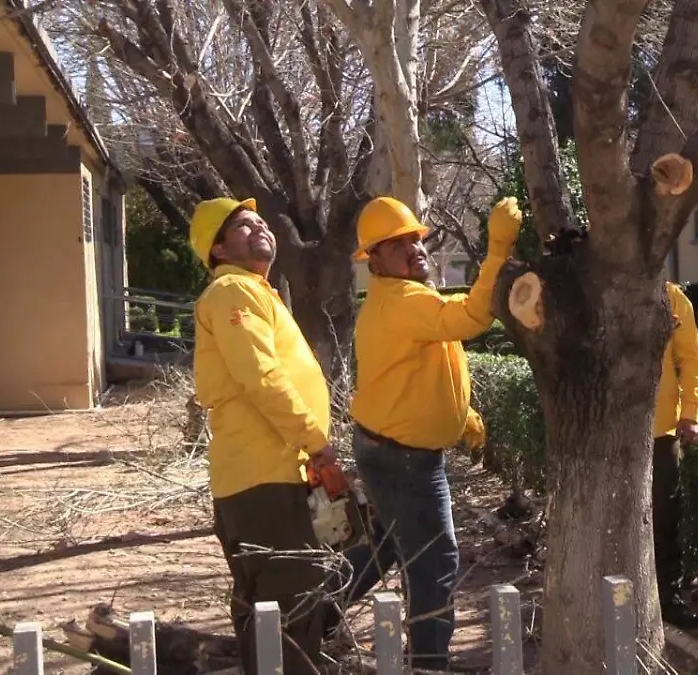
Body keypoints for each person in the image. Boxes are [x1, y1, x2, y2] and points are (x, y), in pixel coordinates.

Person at [333, 196, 521, 671]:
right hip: (405, 460)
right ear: (372, 259)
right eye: (396, 245)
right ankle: (428, 665)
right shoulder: (402, 301)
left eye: (415, 239)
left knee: (390, 544)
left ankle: (316, 611)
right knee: (435, 561)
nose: (413, 248)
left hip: (387, 449)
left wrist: (462, 414)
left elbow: (431, 359)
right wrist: (497, 249)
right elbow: (469, 319)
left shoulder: (403, 299)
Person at [189, 197, 349, 675]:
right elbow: (261, 376)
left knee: (271, 610)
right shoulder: (233, 292)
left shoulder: (253, 291)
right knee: (291, 607)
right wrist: (316, 442)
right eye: (242, 225)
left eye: (260, 220)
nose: (259, 226)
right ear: (217, 249)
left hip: (267, 474)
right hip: (266, 477)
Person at [652, 281, 698, 630]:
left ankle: (668, 598)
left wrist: (691, 412)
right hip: (607, 435)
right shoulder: (595, 289)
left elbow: (690, 357)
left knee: (664, 519)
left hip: (661, 432)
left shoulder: (671, 297)